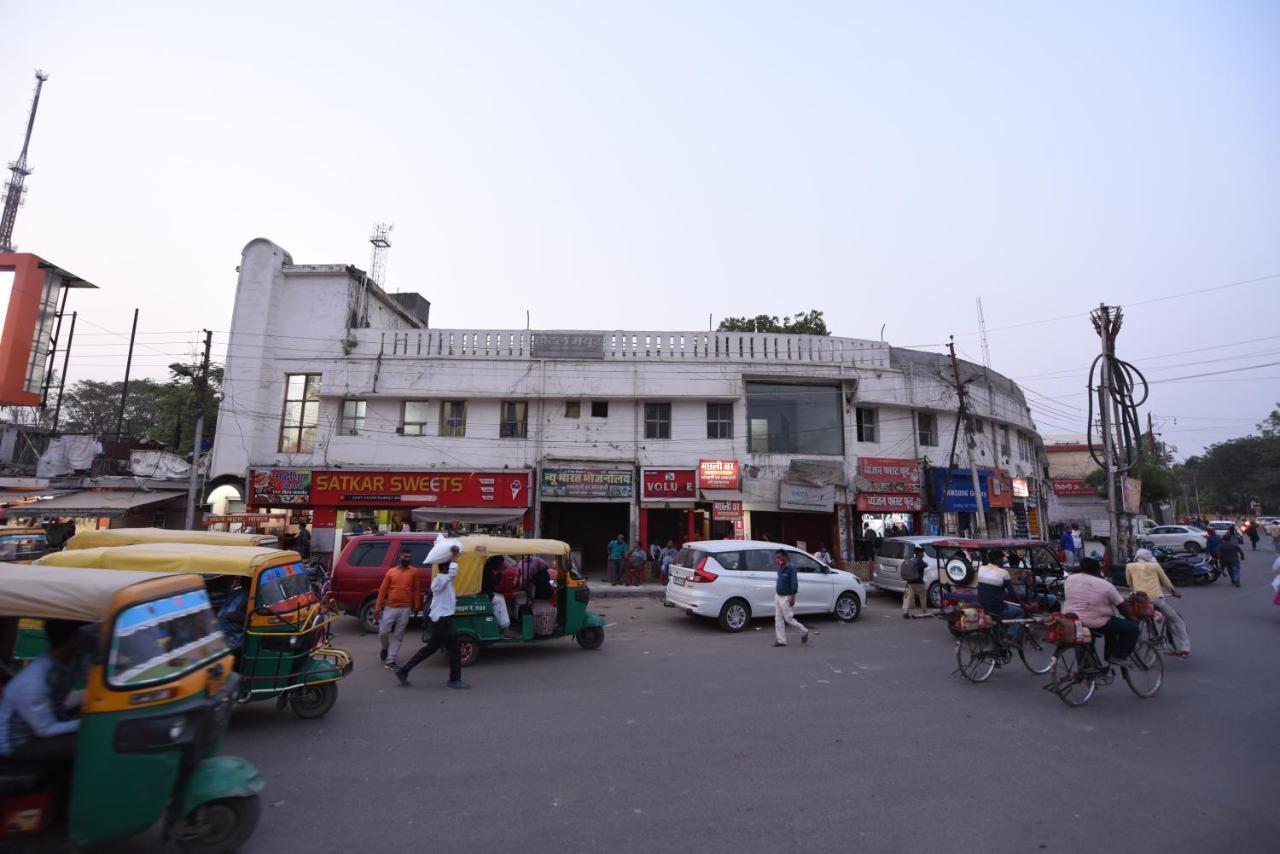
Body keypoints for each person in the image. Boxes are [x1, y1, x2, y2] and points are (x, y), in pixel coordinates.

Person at [0, 620, 85, 761]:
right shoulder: (32, 681)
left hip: (42, 728)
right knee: (87, 744)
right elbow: (45, 730)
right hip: (17, 746)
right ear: (73, 639)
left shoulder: (68, 663)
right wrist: (86, 723)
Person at [396, 545, 469, 690]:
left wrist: (454, 559)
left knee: (430, 649)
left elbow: (452, 576)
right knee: (454, 649)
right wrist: (454, 557)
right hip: (443, 621)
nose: (451, 569)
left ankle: (404, 671)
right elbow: (453, 573)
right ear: (445, 568)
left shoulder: (443, 580)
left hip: (441, 620)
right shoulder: (440, 580)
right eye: (449, 567)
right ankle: (454, 680)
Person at [1063, 556, 1139, 666]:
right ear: (1098, 570)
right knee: (1132, 629)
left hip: (1071, 618)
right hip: (1095, 621)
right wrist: (1131, 618)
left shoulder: (1070, 579)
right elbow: (1121, 606)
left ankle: (1085, 667)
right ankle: (1118, 656)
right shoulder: (1105, 585)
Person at [1126, 549, 1190, 657]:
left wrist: (1134, 593)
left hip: (1139, 599)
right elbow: (1165, 581)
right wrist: (1173, 592)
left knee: (1135, 618)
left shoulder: (1129, 566)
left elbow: (1129, 583)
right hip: (1156, 598)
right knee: (1176, 620)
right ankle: (1184, 647)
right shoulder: (1154, 566)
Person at [376, 548, 423, 670]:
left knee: (398, 635)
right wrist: (377, 607)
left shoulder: (414, 572)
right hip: (390, 607)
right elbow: (382, 590)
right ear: (400, 557)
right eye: (405, 557)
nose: (407, 559)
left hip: (405, 608)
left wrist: (417, 605)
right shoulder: (391, 572)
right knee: (383, 633)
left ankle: (391, 660)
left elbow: (416, 590)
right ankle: (385, 648)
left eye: (409, 557)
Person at [976, 551, 1022, 638]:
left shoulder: (981, 568)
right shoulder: (1003, 572)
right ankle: (1010, 635)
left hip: (982, 603)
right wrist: (1024, 605)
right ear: (998, 561)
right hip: (997, 607)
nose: (1003, 561)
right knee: (1019, 612)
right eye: (1002, 559)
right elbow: (1012, 593)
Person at [772, 550, 809, 646]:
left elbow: (794, 584)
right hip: (778, 596)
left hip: (786, 597)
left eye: (779, 557)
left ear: (784, 557)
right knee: (778, 619)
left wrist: (793, 598)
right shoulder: (779, 567)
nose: (777, 559)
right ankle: (781, 641)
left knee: (788, 618)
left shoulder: (791, 568)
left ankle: (804, 631)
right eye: (776, 557)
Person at [481, 555, 519, 639]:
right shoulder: (487, 570)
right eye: (501, 563)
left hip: (486, 592)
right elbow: (495, 582)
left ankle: (501, 624)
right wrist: (500, 572)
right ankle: (505, 628)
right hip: (484, 595)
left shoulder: (487, 567)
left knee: (500, 597)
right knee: (500, 600)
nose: (502, 565)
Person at [217, 578, 249, 651]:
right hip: (229, 636)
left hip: (225, 631)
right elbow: (229, 614)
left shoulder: (238, 591)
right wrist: (247, 619)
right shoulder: (244, 595)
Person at [900, 545, 929, 619]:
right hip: (919, 582)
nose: (923, 554)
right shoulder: (919, 561)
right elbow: (925, 565)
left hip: (910, 582)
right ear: (919, 553)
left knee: (909, 597)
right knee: (923, 597)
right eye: (922, 553)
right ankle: (924, 612)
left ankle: (905, 612)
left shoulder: (912, 560)